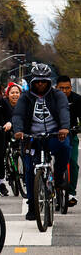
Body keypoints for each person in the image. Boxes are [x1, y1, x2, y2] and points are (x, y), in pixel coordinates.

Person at [12, 63, 71, 220]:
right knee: (30, 169)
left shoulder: (57, 95)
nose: (40, 84)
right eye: (37, 81)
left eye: (43, 81)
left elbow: (63, 110)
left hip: (54, 135)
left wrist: (64, 128)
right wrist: (18, 130)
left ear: (48, 81)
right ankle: (32, 205)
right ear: (32, 81)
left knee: (65, 147)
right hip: (32, 138)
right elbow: (17, 115)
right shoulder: (25, 97)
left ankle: (58, 176)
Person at [56, 75, 80, 207]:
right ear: (56, 88)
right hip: (53, 135)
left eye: (67, 88)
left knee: (73, 163)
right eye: (61, 88)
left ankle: (71, 192)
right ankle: (51, 188)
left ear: (71, 87)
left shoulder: (77, 99)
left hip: (71, 135)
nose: (64, 91)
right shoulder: (51, 99)